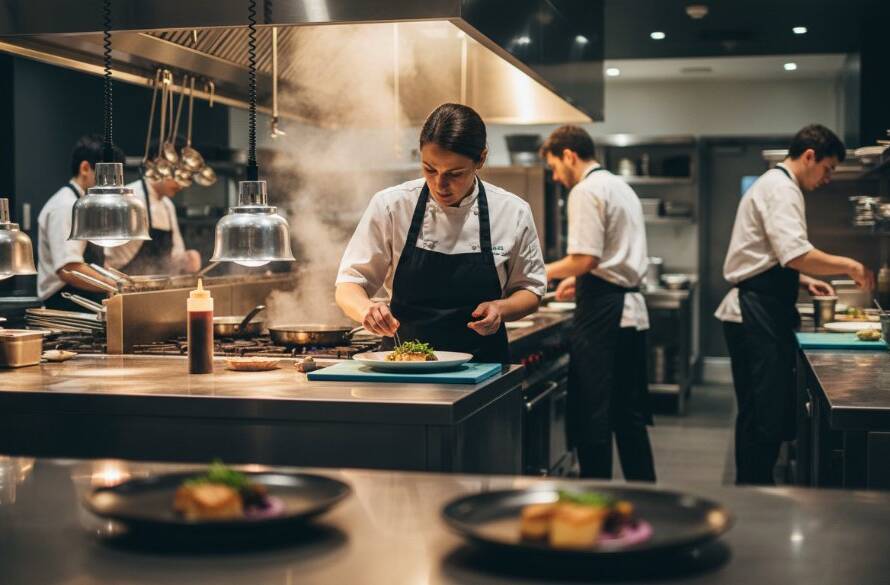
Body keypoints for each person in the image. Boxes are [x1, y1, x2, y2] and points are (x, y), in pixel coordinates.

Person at [715, 124, 874, 485]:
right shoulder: (782, 189)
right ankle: (754, 491)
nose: (829, 178)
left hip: (760, 309)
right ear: (808, 156)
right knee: (762, 413)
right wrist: (850, 266)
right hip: (754, 313)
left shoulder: (775, 185)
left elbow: (769, 257)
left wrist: (804, 279)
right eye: (828, 168)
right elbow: (795, 253)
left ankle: (753, 487)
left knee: (760, 412)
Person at [335, 103, 546, 363]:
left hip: (481, 368)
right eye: (429, 169)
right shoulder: (392, 205)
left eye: (455, 174)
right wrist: (366, 309)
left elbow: (530, 291)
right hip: (404, 366)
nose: (439, 185)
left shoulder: (512, 211)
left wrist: (500, 309)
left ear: (481, 159)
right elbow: (349, 284)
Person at [543, 125, 656, 481]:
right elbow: (609, 257)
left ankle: (596, 503)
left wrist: (539, 272)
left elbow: (585, 258)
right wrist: (579, 282)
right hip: (630, 313)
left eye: (555, 167)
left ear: (569, 155)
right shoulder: (621, 187)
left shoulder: (586, 190)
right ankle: (647, 496)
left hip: (605, 317)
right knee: (629, 418)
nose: (557, 177)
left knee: (594, 416)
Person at [37, 135, 121, 311]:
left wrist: (116, 277)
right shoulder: (66, 205)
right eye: (107, 176)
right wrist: (115, 286)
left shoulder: (85, 203)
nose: (111, 184)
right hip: (66, 307)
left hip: (87, 302)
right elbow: (69, 269)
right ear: (85, 168)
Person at [103, 173, 200, 275]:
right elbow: (111, 256)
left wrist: (185, 259)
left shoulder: (168, 205)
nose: (180, 186)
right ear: (160, 167)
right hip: (125, 279)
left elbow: (176, 252)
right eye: (177, 176)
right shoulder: (127, 197)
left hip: (159, 282)